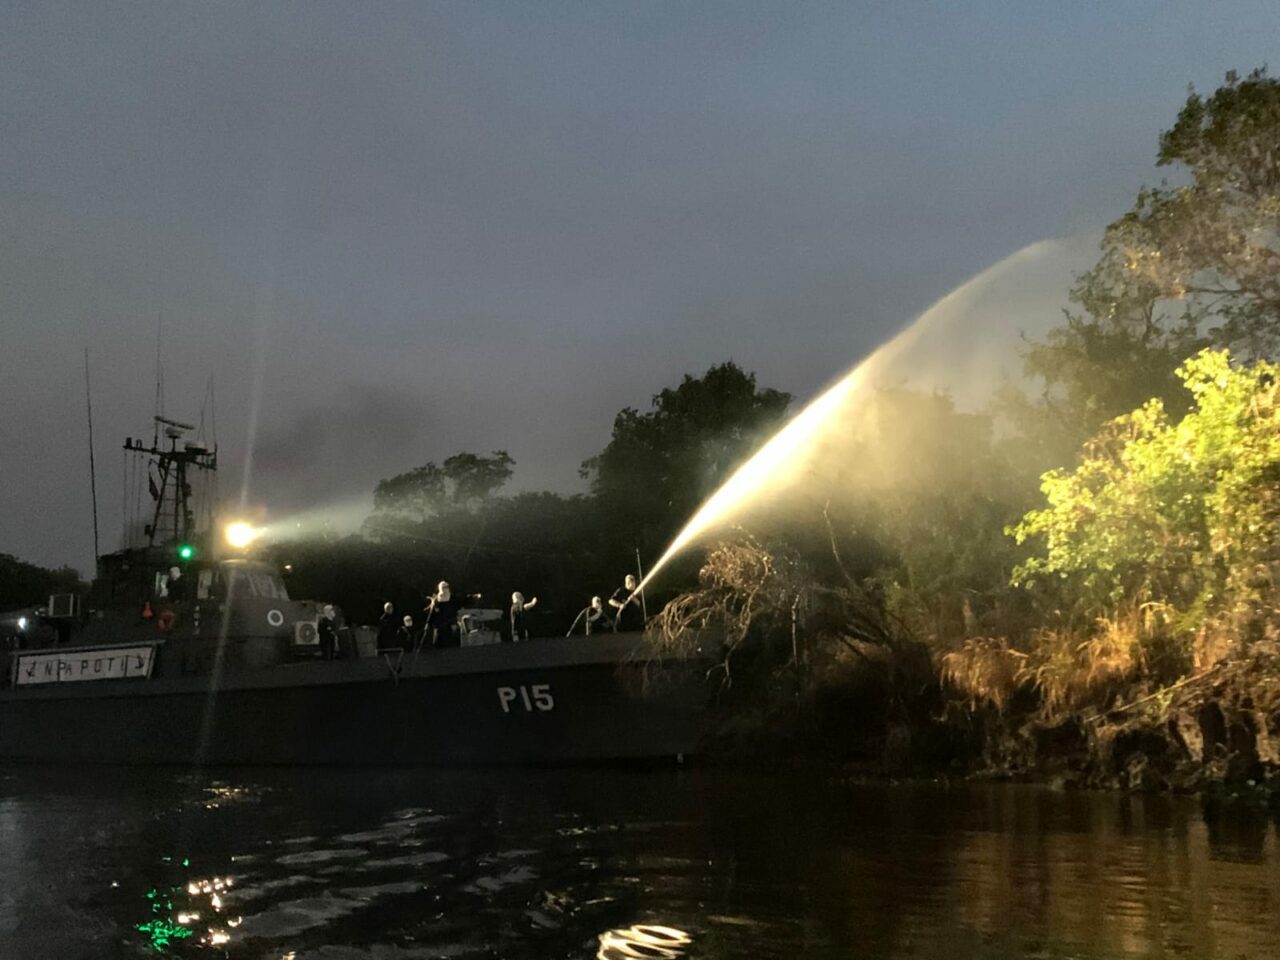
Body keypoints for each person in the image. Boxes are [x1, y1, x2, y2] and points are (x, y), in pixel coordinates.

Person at [425, 580, 461, 648]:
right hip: (439, 627)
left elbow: (454, 612)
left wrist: (454, 623)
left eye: (447, 587)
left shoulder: (452, 598)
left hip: (449, 626)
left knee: (452, 644)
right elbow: (431, 613)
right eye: (444, 587)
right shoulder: (436, 600)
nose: (446, 588)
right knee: (438, 645)